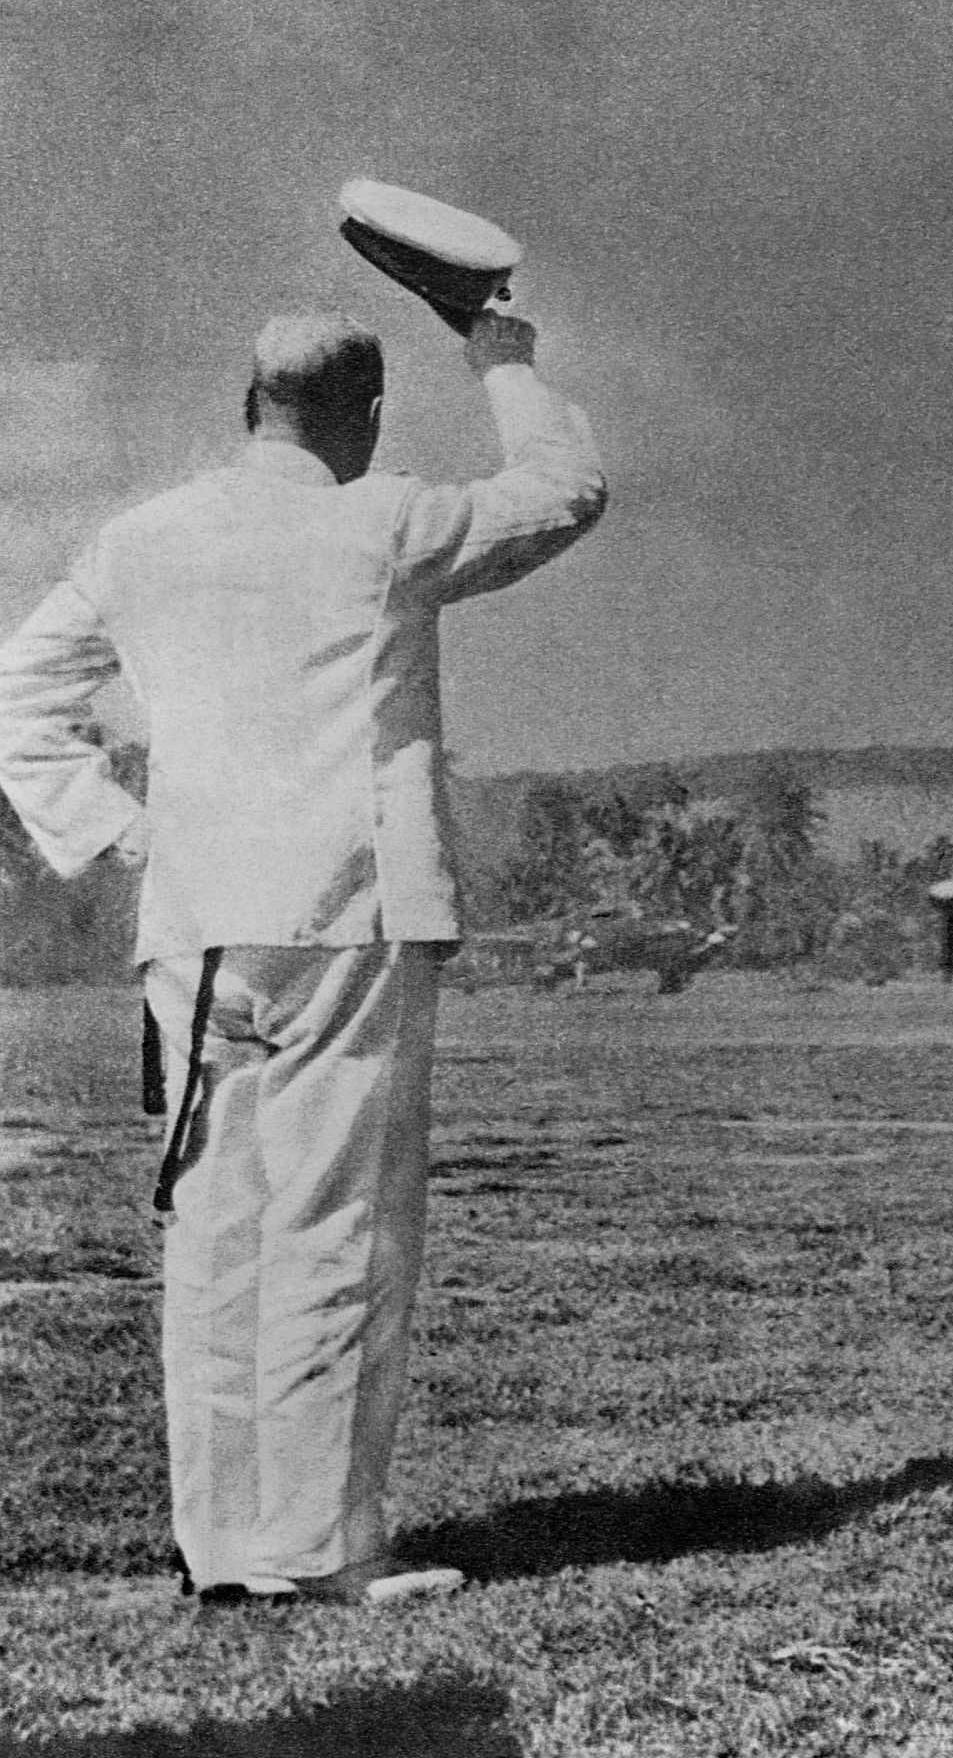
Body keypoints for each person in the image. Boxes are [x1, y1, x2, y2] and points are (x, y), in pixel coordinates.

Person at [0, 306, 605, 1605]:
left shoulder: (142, 538)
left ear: (246, 406)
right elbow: (564, 491)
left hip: (202, 924)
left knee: (218, 1236)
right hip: (348, 920)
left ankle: (224, 1551)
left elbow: (19, 695)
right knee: (335, 1230)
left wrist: (123, 835)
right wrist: (498, 349)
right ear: (367, 415)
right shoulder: (383, 520)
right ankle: (322, 1553)